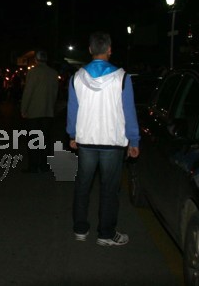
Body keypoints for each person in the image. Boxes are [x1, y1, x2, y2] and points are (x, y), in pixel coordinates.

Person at [67, 32, 140, 246]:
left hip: (86, 140)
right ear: (109, 50)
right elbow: (129, 112)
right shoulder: (122, 77)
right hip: (112, 141)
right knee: (109, 189)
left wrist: (72, 134)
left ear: (90, 50)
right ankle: (105, 234)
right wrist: (134, 140)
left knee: (83, 185)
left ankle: (80, 229)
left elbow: (73, 110)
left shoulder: (77, 77)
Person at [20, 50, 59, 173]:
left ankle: (33, 166)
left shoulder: (33, 72)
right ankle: (44, 165)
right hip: (48, 111)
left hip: (34, 111)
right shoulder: (53, 73)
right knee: (45, 139)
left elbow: (28, 91)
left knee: (33, 140)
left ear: (36, 59)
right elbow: (55, 92)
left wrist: (24, 108)